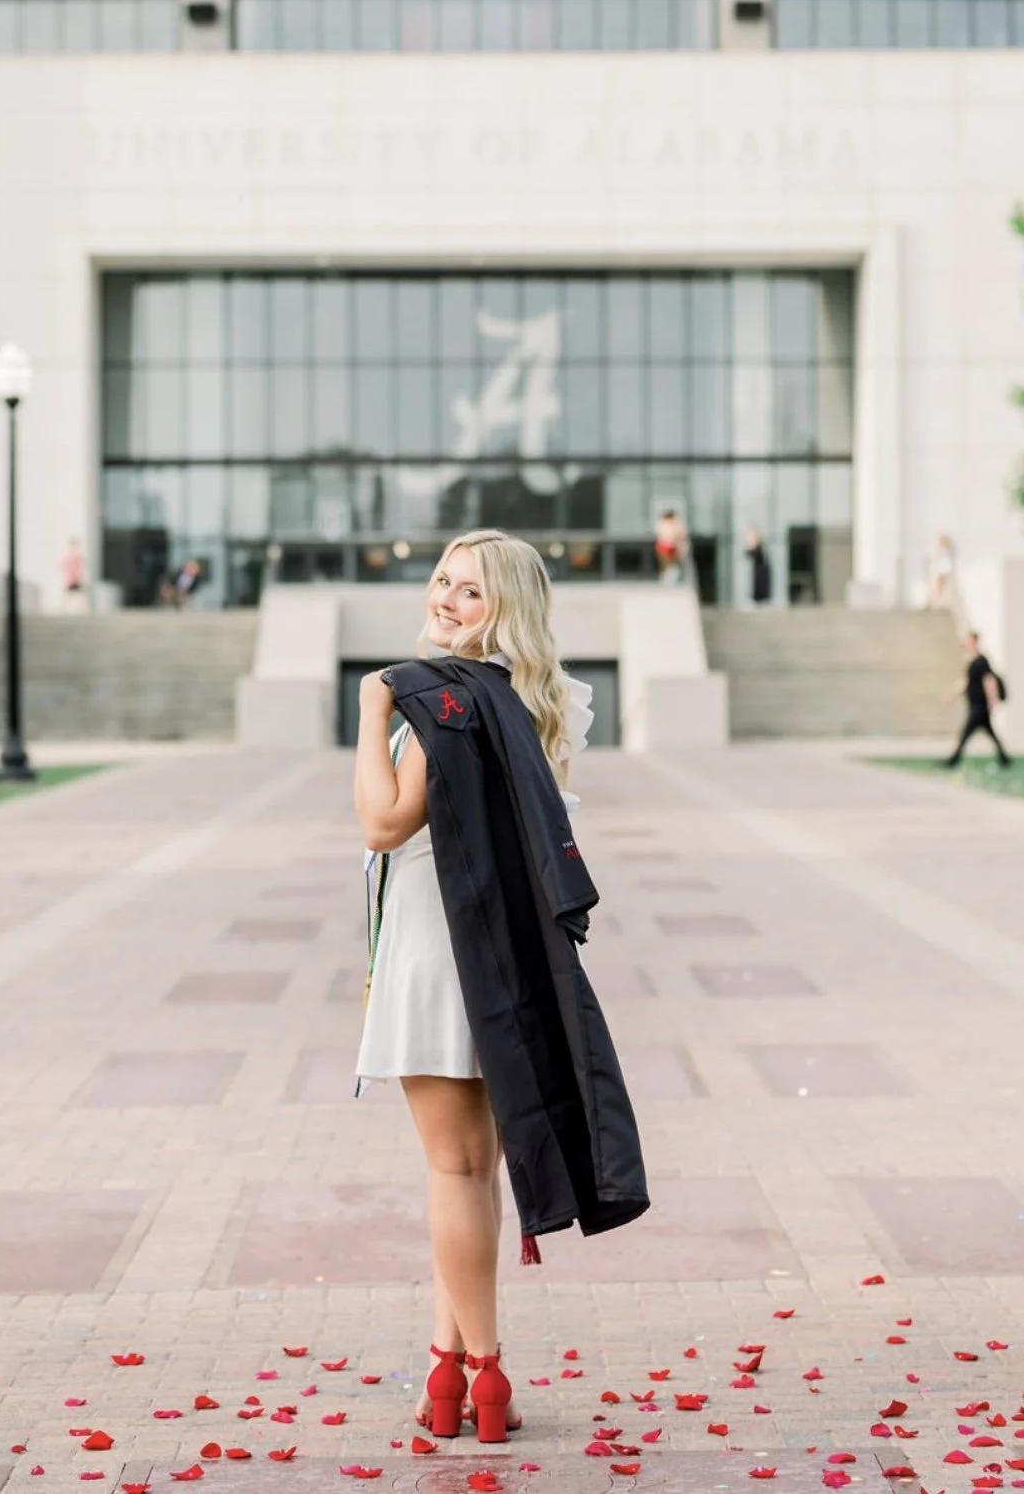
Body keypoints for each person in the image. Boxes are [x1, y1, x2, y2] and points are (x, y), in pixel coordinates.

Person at [353, 529, 648, 1444]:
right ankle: (446, 1367)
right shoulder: (541, 701)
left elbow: (383, 822)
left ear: (503, 609)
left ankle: (482, 1372)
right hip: (506, 954)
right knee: (474, 1172)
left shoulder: (439, 702)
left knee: (452, 1169)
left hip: (438, 945)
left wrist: (372, 707)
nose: (444, 597)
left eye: (469, 592)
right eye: (442, 579)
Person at [945, 629, 1011, 768]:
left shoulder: (982, 661)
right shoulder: (973, 661)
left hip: (980, 705)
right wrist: (951, 695)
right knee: (990, 733)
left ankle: (954, 759)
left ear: (974, 641)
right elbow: (966, 682)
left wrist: (992, 700)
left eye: (967, 640)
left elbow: (989, 681)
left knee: (965, 733)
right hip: (975, 704)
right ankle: (1004, 759)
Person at [654, 507, 689, 583]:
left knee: (672, 562)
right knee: (665, 562)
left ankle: (672, 575)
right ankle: (666, 575)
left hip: (673, 545)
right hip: (665, 545)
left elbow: (682, 534)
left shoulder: (676, 523)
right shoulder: (663, 523)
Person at [744, 526, 772, 605]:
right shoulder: (759, 548)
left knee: (760, 586)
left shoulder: (760, 547)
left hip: (761, 572)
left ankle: (761, 599)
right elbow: (748, 553)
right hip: (759, 571)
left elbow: (752, 553)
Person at [928, 532, 956, 609]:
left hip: (945, 571)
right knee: (937, 587)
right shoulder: (938, 550)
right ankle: (936, 602)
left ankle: (940, 602)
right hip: (939, 572)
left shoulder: (948, 550)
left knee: (943, 588)